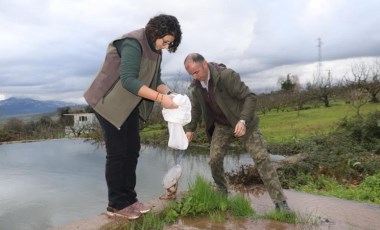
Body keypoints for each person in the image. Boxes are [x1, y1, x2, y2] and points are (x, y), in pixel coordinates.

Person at [83, 14, 182, 220]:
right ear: (155, 30)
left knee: (133, 149)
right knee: (118, 153)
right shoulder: (132, 42)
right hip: (108, 103)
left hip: (128, 106)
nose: (164, 46)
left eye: (169, 44)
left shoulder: (156, 50)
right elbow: (128, 80)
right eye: (164, 41)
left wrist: (171, 95)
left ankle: (129, 199)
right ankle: (116, 205)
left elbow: (156, 80)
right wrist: (160, 99)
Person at [183, 53, 290, 211]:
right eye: (191, 74)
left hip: (243, 122)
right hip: (222, 125)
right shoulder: (196, 87)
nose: (195, 77)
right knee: (214, 160)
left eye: (196, 72)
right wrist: (190, 129)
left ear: (204, 64)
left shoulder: (226, 76)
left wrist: (243, 120)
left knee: (261, 158)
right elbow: (197, 109)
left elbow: (250, 97)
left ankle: (280, 202)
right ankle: (222, 192)